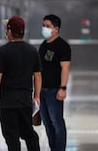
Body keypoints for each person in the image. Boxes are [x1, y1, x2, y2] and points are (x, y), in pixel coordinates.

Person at [0, 16, 42, 151]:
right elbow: (37, 75)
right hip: (25, 101)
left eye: (7, 29)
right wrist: (37, 96)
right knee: (28, 133)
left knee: (11, 136)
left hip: (8, 102)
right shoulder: (32, 50)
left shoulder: (3, 51)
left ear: (10, 31)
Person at [38, 14, 71, 151]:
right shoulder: (43, 46)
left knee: (57, 122)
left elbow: (65, 67)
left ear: (56, 29)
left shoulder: (62, 46)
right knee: (47, 123)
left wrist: (62, 88)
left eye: (48, 26)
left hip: (54, 91)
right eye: (43, 25)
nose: (44, 28)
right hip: (42, 91)